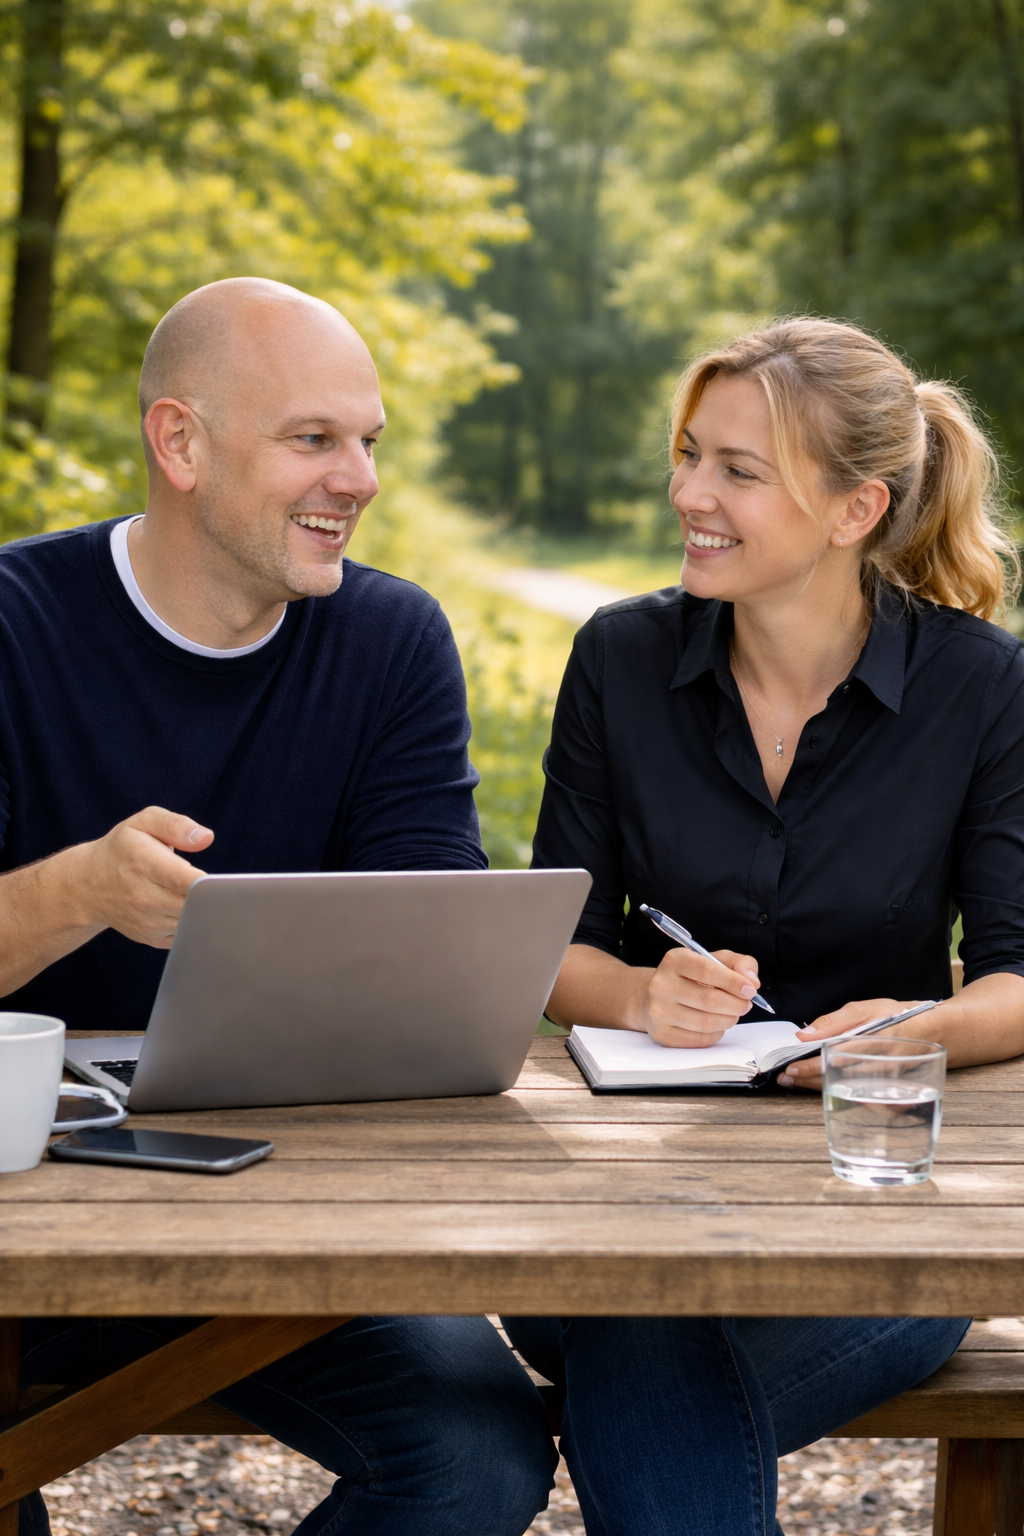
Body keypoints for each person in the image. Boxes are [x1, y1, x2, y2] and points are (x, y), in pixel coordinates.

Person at [5, 278, 556, 1536]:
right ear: (180, 443)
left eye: (368, 440)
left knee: (476, 1459)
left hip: (291, 1201)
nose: (358, 478)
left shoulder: (392, 639)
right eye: (313, 439)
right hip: (27, 1189)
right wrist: (80, 890)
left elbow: (436, 965)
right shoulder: (13, 623)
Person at [504, 317, 1024, 1535]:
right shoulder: (619, 657)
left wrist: (910, 1031)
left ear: (855, 510)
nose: (689, 494)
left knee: (632, 1352)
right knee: (632, 1321)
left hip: (873, 1218)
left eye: (737, 470)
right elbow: (550, 951)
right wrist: (639, 994)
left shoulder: (980, 685)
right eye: (689, 456)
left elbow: (1016, 979)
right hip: (630, 1198)